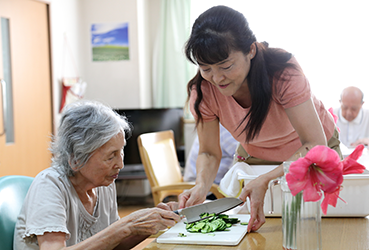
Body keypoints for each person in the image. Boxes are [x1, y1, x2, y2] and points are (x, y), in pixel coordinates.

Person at [178, 5, 342, 233]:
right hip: (256, 155)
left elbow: (314, 144)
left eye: (226, 66)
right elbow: (208, 152)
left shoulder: (283, 72)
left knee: (312, 224)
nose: (217, 78)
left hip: (311, 152)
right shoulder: (203, 91)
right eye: (206, 68)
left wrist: (268, 178)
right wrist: (201, 186)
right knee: (251, 226)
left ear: (251, 51)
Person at [13, 101, 181, 250]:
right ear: (76, 159)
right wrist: (127, 224)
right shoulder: (49, 185)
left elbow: (113, 244)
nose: (120, 164)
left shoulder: (103, 183)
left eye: (121, 151)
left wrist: (148, 225)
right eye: (110, 156)